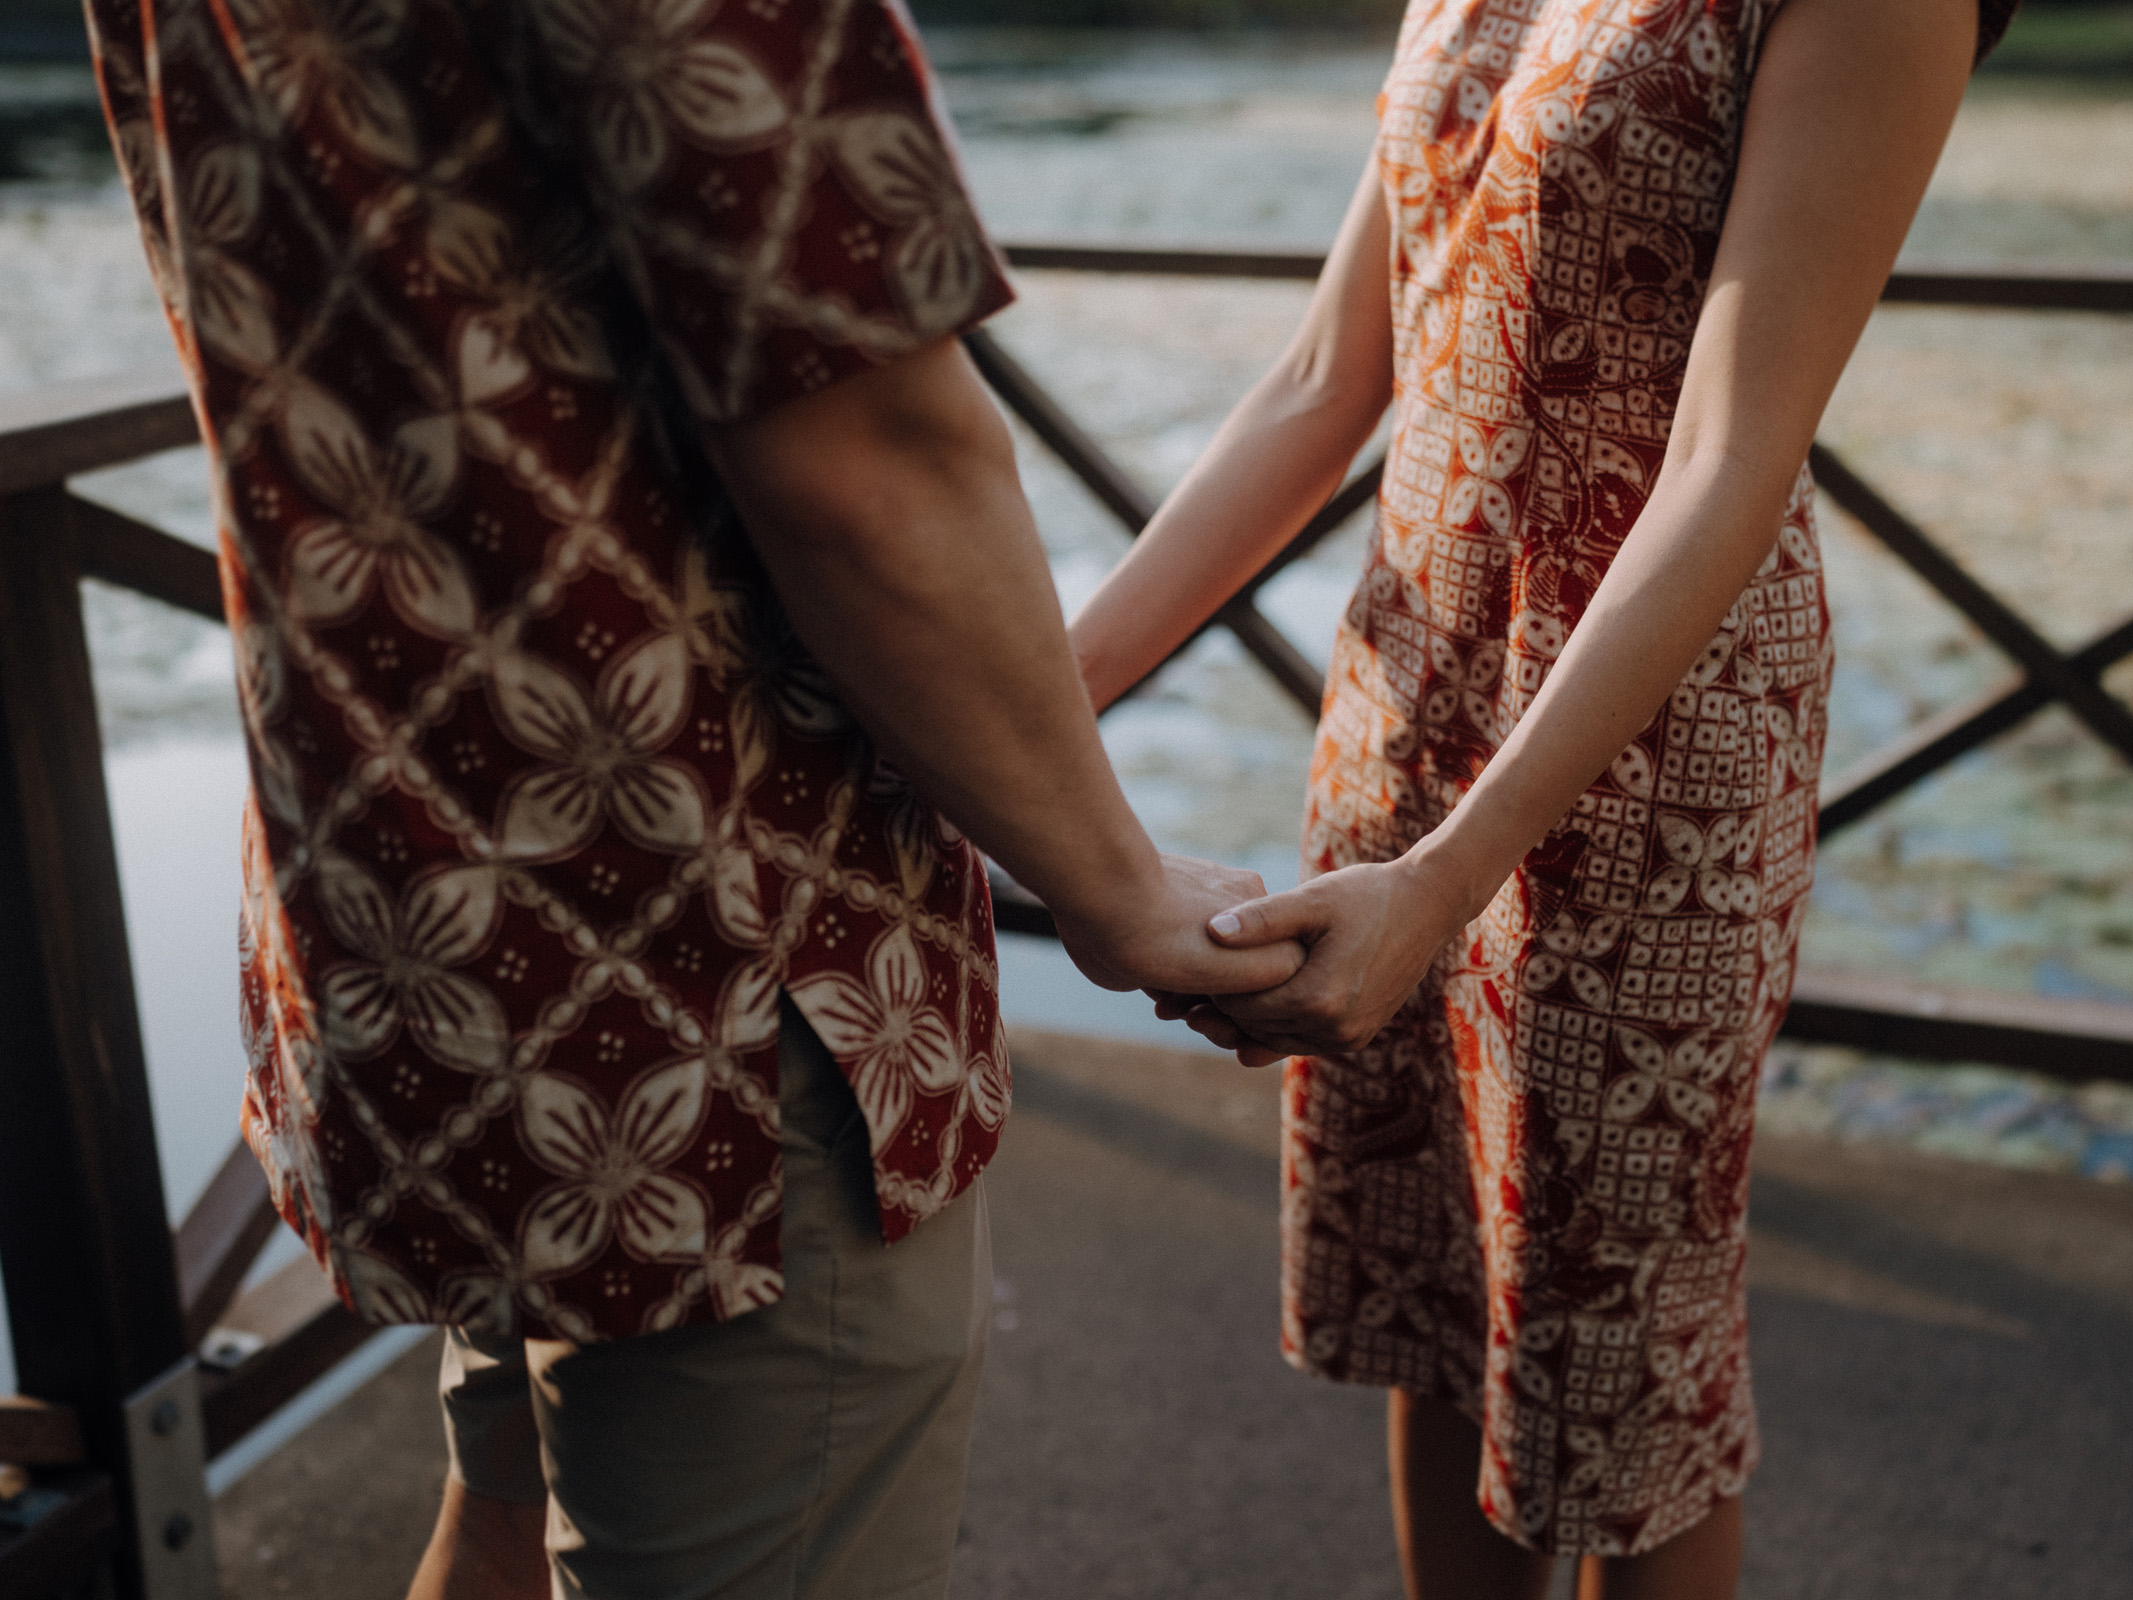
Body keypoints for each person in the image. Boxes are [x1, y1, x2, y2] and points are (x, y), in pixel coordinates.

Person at [78, 0, 1297, 1594]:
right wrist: (1119, 889)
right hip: (715, 984)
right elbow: (867, 454)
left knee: (497, 1530)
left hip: (429, 914)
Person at [1067, 0, 2019, 1594]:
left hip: (1650, 759)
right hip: (1403, 693)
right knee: (1439, 1300)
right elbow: (1320, 378)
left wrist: (1446, 882)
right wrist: (1023, 707)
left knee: (1623, 1374)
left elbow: (1731, 449)